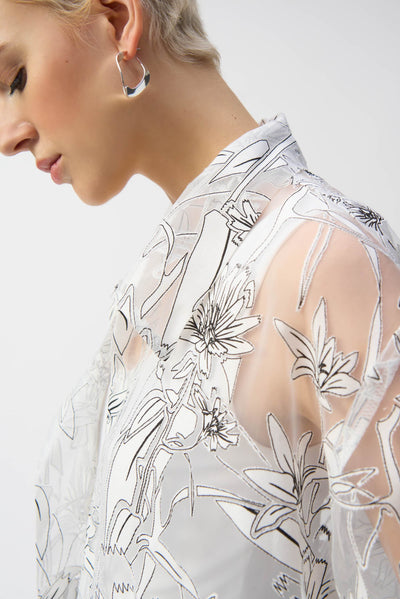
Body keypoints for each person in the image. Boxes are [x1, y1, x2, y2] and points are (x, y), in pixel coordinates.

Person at [1, 0, 399, 597]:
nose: (8, 137)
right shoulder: (145, 314)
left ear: (118, 21)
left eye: (14, 78)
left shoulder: (328, 267)